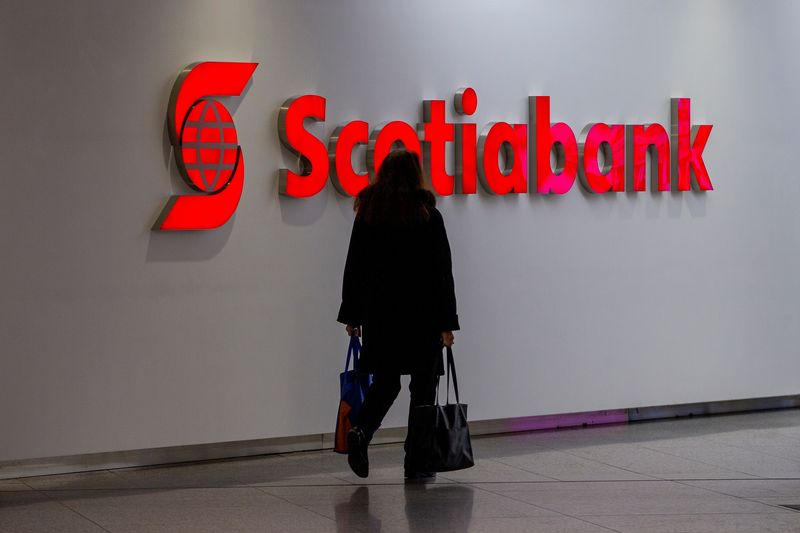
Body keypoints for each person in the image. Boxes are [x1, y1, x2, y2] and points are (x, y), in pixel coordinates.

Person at [337, 148, 460, 481]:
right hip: (423, 317)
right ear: (415, 175)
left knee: (386, 383)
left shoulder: (369, 215)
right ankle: (416, 460)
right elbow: (441, 273)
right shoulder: (428, 216)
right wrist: (447, 323)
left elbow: (355, 268)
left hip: (382, 317)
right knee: (423, 388)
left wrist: (353, 315)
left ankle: (361, 429)